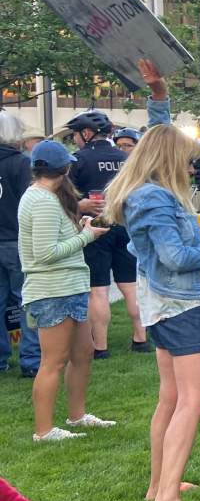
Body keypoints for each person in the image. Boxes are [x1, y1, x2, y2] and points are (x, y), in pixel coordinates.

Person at [106, 86, 200, 501]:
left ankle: (159, 484)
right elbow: (176, 258)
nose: (191, 166)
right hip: (179, 307)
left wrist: (158, 99)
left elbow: (157, 134)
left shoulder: (148, 191)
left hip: (162, 305)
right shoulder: (156, 198)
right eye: (186, 159)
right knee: (194, 400)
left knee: (171, 396)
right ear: (168, 160)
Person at [18, 141, 116, 441]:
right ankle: (44, 430)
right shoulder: (43, 201)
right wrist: (87, 235)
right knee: (54, 361)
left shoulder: (43, 197)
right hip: (53, 290)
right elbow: (45, 253)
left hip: (69, 287)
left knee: (83, 354)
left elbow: (55, 241)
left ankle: (77, 416)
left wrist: (80, 229)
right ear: (64, 169)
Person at [65, 109, 153, 360]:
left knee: (99, 290)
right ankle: (140, 338)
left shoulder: (77, 160)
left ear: (87, 133)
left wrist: (81, 204)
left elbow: (68, 196)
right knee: (131, 286)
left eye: (76, 134)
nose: (75, 139)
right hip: (125, 226)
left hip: (94, 227)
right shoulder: (126, 158)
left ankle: (100, 347)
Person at [0, 111, 40, 377]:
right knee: (29, 301)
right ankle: (31, 359)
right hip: (16, 240)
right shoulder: (22, 164)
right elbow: (32, 204)